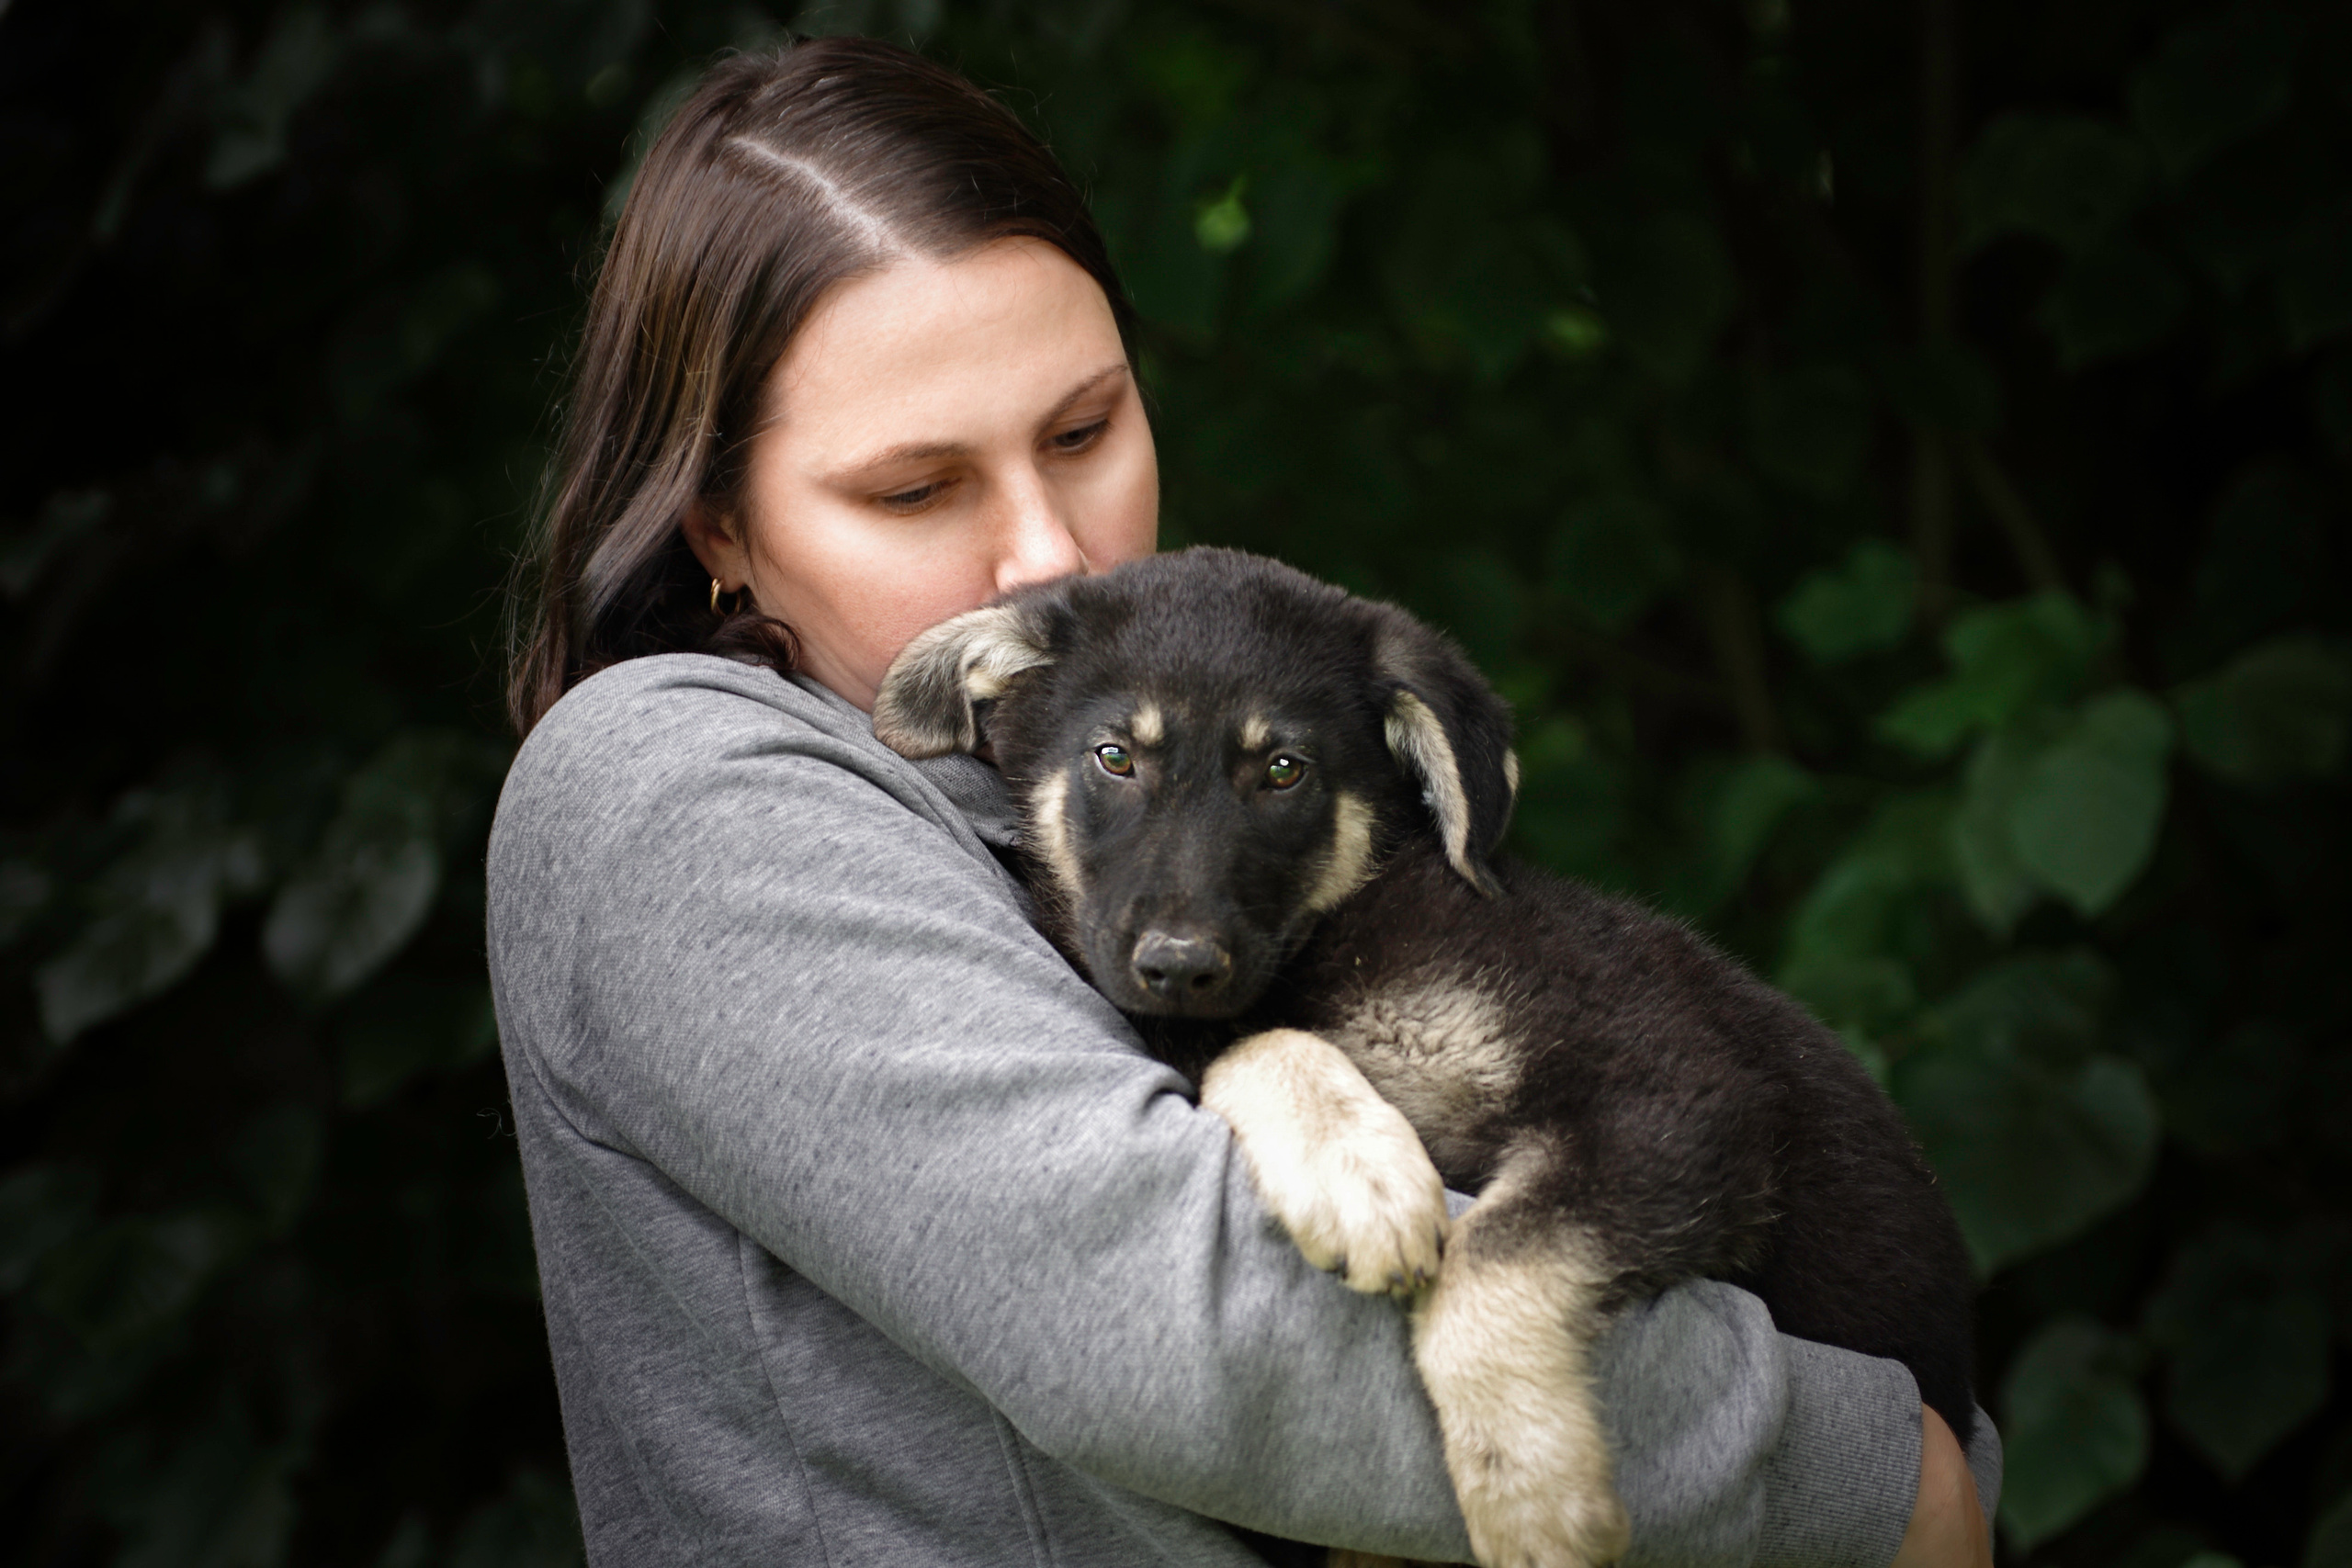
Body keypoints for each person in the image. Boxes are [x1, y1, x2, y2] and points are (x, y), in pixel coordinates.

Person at [491, 34, 1998, 1568]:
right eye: (915, 489)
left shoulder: (1156, 779)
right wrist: (1868, 1481)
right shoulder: (677, 791)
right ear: (718, 526)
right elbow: (1180, 1316)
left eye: (1084, 433)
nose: (1048, 552)